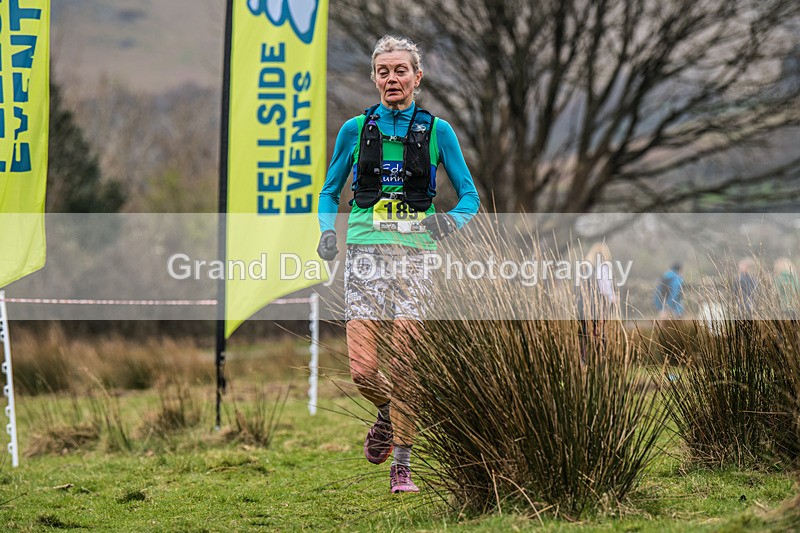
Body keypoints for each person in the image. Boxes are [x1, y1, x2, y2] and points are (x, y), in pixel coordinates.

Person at [316, 35, 480, 494]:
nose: (392, 78)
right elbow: (329, 191)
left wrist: (449, 223)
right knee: (363, 370)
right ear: (374, 78)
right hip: (365, 254)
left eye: (400, 70)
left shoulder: (438, 132)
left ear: (417, 77)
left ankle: (402, 467)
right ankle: (387, 414)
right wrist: (327, 230)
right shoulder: (354, 130)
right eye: (383, 71)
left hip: (416, 256)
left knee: (407, 364)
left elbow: (470, 197)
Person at [577, 242, 616, 363]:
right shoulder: (603, 268)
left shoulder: (584, 269)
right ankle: (598, 362)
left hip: (582, 309)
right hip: (597, 310)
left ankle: (584, 362)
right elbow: (606, 290)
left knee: (585, 337)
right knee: (599, 337)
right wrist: (613, 301)